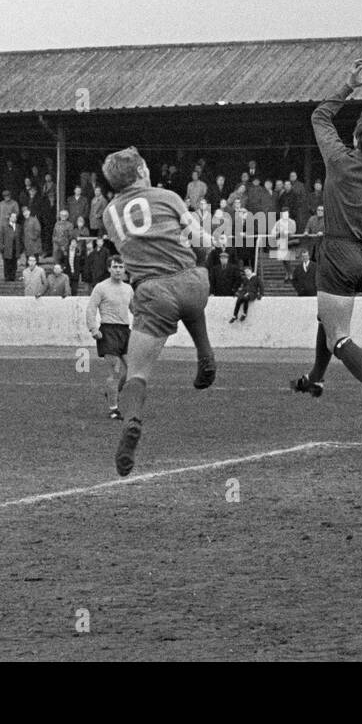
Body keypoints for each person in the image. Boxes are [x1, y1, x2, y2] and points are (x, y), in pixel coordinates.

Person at [290, 54, 362, 438]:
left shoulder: (339, 162)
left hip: (338, 253)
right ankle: (316, 379)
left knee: (338, 334)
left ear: (356, 139)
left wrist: (350, 83)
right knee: (328, 322)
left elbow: (320, 117)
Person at [100, 146, 217, 477]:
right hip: (194, 285)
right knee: (194, 286)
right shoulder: (167, 196)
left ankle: (133, 420)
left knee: (136, 374)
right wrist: (214, 242)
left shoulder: (109, 215)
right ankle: (205, 352)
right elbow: (200, 239)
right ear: (139, 173)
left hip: (154, 293)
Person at [86, 256, 133, 420]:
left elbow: (135, 309)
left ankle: (113, 392)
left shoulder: (128, 289)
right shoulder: (101, 288)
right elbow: (91, 308)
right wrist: (93, 329)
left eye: (121, 267)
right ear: (109, 269)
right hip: (108, 331)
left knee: (132, 369)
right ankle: (113, 409)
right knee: (115, 370)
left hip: (125, 331)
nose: (118, 270)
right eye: (115, 267)